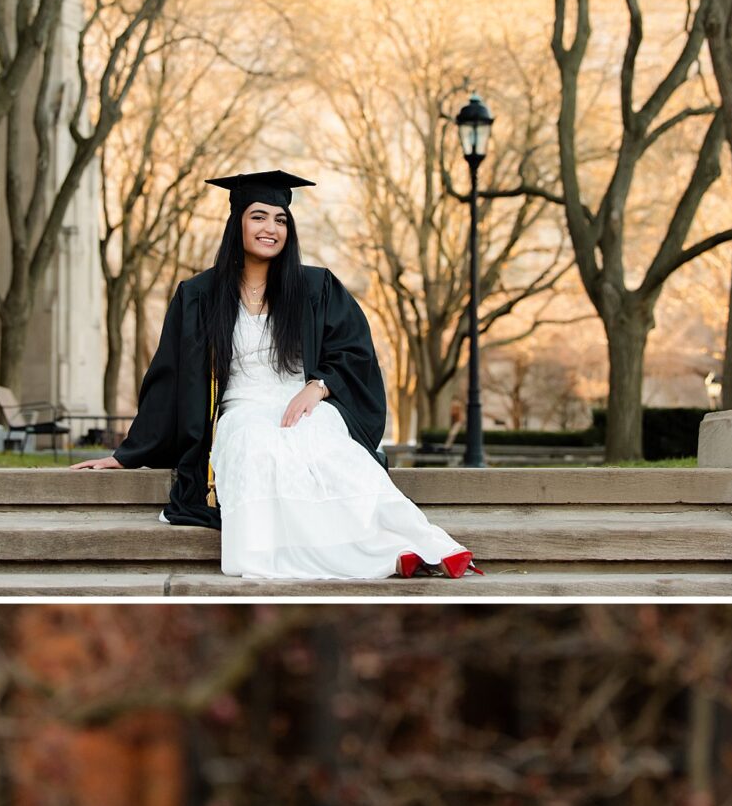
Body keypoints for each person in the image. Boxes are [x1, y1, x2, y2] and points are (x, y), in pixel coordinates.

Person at [76, 171, 479, 584]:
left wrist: (317, 386)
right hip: (241, 410)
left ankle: (409, 546)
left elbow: (355, 351)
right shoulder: (199, 295)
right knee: (259, 444)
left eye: (281, 219)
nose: (271, 228)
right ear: (238, 225)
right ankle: (379, 558)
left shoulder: (315, 286)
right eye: (259, 217)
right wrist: (125, 454)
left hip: (302, 401)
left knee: (328, 447)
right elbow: (169, 376)